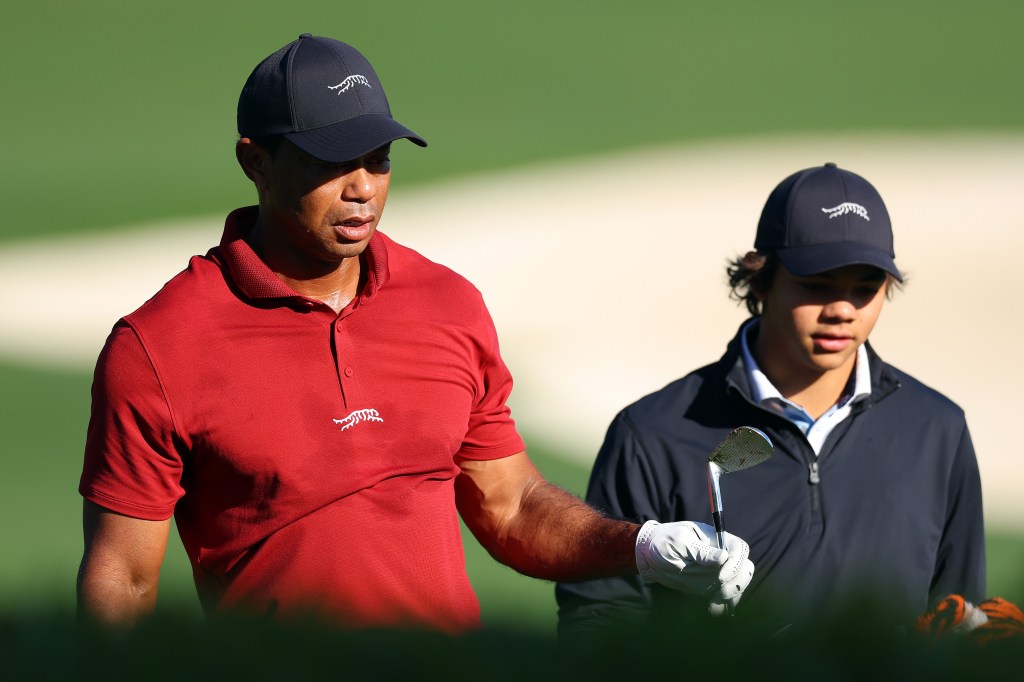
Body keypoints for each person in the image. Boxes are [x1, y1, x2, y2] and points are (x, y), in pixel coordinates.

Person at [76, 34, 756, 633]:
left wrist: (642, 545)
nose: (363, 188)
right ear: (255, 161)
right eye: (329, 162)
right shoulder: (161, 345)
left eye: (378, 160)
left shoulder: (446, 305)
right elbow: (124, 583)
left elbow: (510, 506)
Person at [556, 163, 986, 638]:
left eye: (865, 290)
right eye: (817, 287)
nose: (842, 310)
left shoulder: (936, 429)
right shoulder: (653, 433)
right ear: (760, 281)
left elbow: (959, 611)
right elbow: (598, 622)